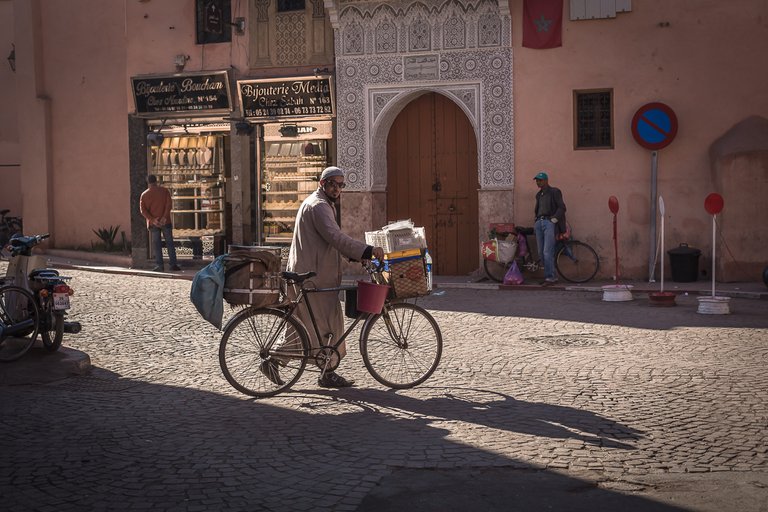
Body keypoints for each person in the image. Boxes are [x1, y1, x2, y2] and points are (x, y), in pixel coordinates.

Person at [263, 166, 384, 388]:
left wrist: (355, 257)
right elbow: (335, 238)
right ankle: (323, 371)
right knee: (323, 322)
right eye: (333, 184)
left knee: (307, 323)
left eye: (341, 185)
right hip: (313, 275)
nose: (337, 189)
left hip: (313, 271)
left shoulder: (321, 203)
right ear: (322, 183)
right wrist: (366, 251)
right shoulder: (319, 206)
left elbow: (329, 242)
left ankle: (310, 367)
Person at [140, 175, 181, 272]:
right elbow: (169, 204)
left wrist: (153, 219)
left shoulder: (144, 194)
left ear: (148, 182)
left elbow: (143, 210)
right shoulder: (164, 191)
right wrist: (164, 217)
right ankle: (173, 264)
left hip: (153, 223)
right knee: (170, 243)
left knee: (157, 244)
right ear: (156, 181)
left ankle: (160, 265)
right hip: (165, 221)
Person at [533, 171, 567, 286]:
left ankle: (550, 278)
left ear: (546, 180)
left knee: (547, 251)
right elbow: (538, 209)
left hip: (549, 222)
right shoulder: (538, 195)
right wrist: (536, 220)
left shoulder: (554, 192)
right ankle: (549, 275)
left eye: (540, 180)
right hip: (539, 222)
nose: (538, 182)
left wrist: (554, 219)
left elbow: (562, 207)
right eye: (537, 180)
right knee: (540, 252)